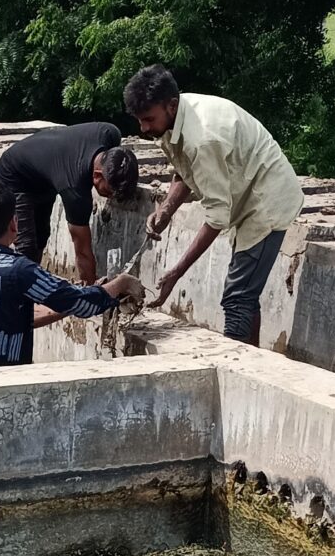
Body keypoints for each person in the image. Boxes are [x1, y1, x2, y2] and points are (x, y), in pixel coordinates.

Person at [123, 65, 304, 347]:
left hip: (266, 200)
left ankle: (236, 364)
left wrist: (176, 273)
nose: (144, 128)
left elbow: (217, 216)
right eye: (139, 121)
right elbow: (185, 170)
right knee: (245, 295)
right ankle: (252, 358)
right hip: (246, 190)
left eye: (148, 119)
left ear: (171, 105)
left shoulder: (202, 138)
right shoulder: (176, 117)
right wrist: (166, 210)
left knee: (237, 297)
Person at [0, 180, 142, 370]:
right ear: (14, 224)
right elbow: (82, 304)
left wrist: (74, 298)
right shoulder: (18, 270)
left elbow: (11, 317)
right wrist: (120, 284)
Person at [0, 123, 141, 281]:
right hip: (15, 174)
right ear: (97, 176)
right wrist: (92, 290)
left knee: (41, 234)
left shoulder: (110, 133)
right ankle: (22, 288)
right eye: (109, 192)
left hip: (47, 171)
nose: (111, 198)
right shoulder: (75, 191)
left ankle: (33, 279)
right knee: (26, 245)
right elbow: (82, 251)